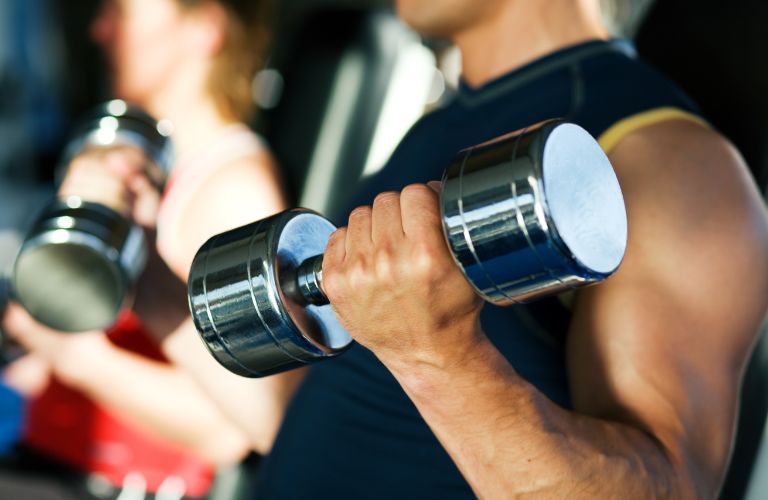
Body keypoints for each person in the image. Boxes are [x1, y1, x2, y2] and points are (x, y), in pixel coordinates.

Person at [181, 0, 765, 498]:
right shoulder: (441, 125)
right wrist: (137, 290)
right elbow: (337, 414)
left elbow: (669, 483)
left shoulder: (670, 158)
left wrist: (437, 355)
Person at [0, 0, 289, 498]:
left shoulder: (232, 188)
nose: (100, 30)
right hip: (44, 455)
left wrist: (76, 358)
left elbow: (233, 430)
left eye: (124, 14)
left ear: (204, 30)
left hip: (114, 485)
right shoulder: (139, 165)